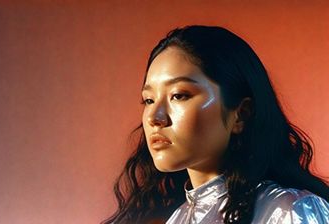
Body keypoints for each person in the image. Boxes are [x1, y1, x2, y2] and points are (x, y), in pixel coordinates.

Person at [102, 25, 329, 224]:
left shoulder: (290, 210)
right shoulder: (174, 218)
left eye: (179, 95)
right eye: (149, 100)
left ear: (240, 114)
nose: (154, 117)